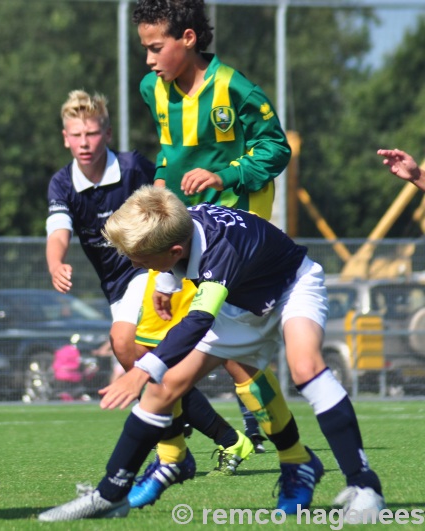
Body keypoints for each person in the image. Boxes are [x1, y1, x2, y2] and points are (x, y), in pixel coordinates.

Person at [39, 186, 386, 522]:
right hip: (240, 305)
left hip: (291, 288)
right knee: (165, 389)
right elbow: (187, 280)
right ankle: (108, 494)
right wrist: (164, 284)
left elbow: (199, 321)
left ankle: (365, 486)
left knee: (305, 366)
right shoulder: (178, 225)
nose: (133, 264)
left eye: (140, 260)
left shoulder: (219, 254)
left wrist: (142, 369)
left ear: (174, 251)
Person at [121, 0, 290, 505]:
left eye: (156, 48)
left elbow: (276, 149)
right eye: (144, 49)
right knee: (146, 344)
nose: (148, 60)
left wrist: (226, 174)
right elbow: (171, 157)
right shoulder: (153, 90)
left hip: (235, 240)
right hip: (180, 237)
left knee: (235, 359)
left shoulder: (234, 88)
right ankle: (174, 459)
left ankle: (286, 454)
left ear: (189, 39)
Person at [45, 89, 256, 484]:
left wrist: (168, 273)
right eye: (76, 135)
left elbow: (167, 205)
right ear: (65, 138)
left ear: (106, 133)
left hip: (155, 271)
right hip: (118, 286)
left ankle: (182, 451)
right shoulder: (62, 183)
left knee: (131, 347)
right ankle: (226, 440)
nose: (84, 142)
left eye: (91, 133)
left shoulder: (133, 167)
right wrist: (56, 261)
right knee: (156, 364)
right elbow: (58, 230)